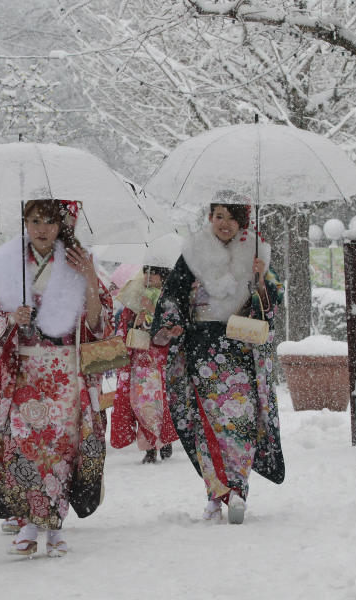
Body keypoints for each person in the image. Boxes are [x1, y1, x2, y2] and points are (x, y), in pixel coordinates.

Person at [0, 199, 111, 557]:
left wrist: (91, 281)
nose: (41, 229)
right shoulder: (9, 264)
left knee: (59, 452)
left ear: (62, 225)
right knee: (25, 445)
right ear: (25, 221)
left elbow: (98, 324)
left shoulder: (77, 260)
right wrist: (11, 319)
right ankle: (27, 524)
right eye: (34, 220)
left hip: (65, 371)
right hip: (26, 370)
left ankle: (54, 529)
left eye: (49, 222)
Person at [150, 193, 285, 525]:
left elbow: (271, 306)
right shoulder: (193, 254)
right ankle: (214, 494)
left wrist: (261, 281)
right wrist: (173, 322)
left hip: (240, 348)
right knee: (206, 423)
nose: (224, 224)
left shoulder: (257, 253)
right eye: (219, 216)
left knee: (240, 422)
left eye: (232, 218)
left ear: (242, 222)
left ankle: (237, 491)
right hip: (202, 348)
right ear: (210, 217)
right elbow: (173, 296)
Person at [110, 265, 179, 464]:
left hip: (159, 358)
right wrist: (135, 322)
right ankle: (149, 446)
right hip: (140, 358)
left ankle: (162, 440)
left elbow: (171, 328)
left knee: (159, 402)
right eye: (146, 272)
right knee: (140, 402)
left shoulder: (170, 298)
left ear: (163, 276)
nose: (148, 276)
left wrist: (152, 311)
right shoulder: (136, 294)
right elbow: (124, 326)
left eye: (153, 273)